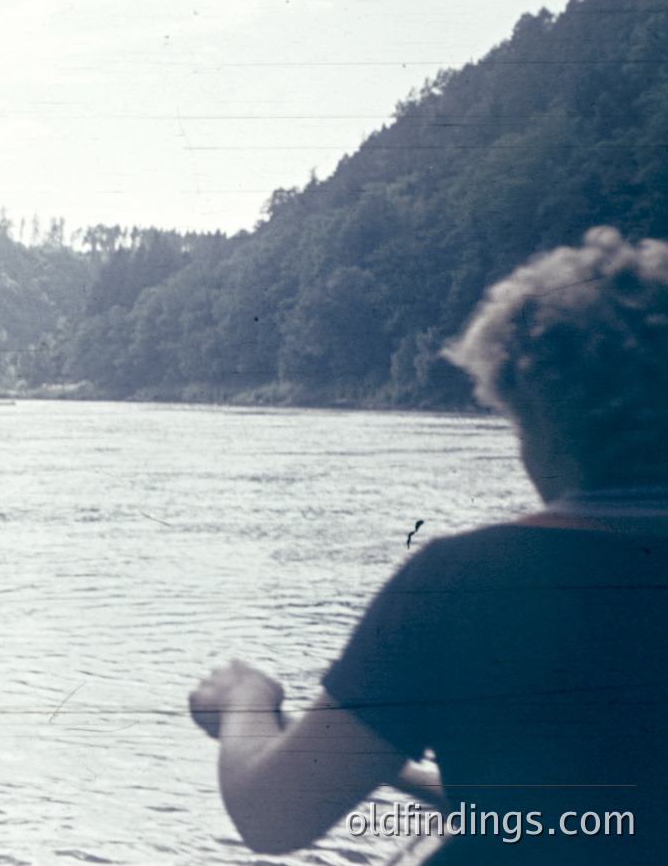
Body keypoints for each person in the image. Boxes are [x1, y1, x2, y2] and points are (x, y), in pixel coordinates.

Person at [189, 226, 668, 863]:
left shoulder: (466, 582)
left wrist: (247, 702)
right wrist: (389, 764)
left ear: (540, 410)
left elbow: (271, 817)